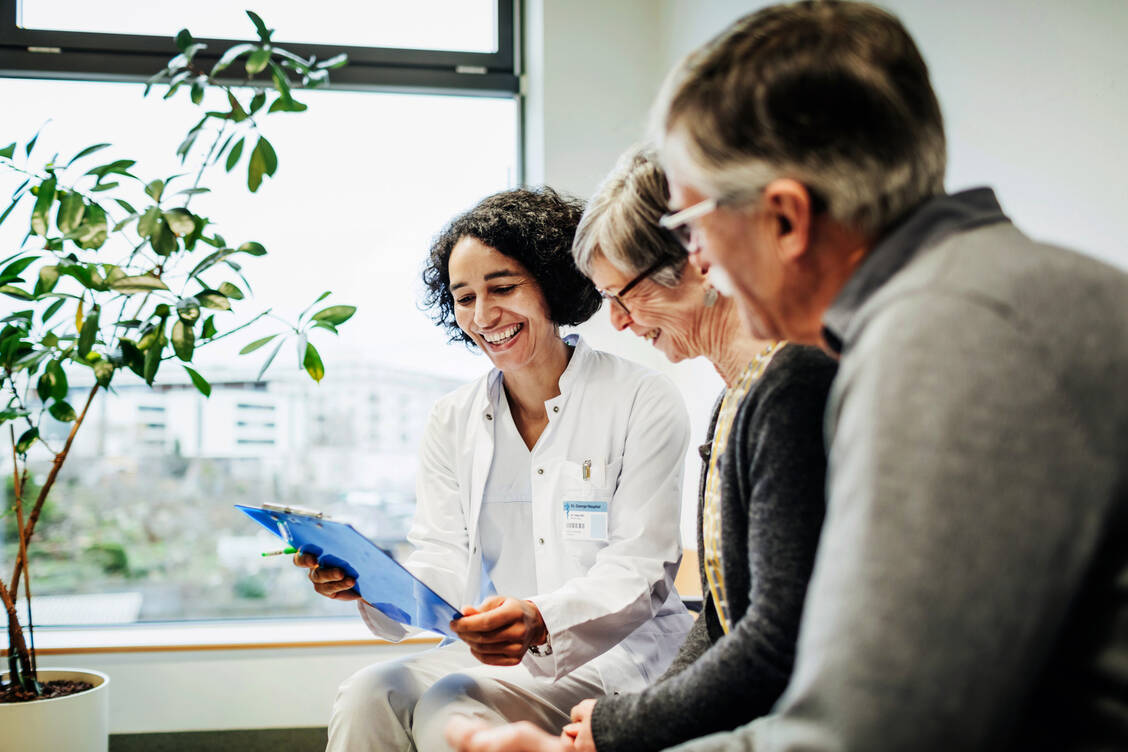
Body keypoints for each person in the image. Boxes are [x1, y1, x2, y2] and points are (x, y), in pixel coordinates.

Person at [450, 2, 1128, 751]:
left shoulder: (940, 343)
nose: (699, 262)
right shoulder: (1005, 294)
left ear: (785, 219)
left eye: (693, 228)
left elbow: (874, 730)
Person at [451, 147, 836, 752]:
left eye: (623, 296)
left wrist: (622, 726)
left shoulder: (791, 385)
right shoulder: (734, 400)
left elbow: (774, 640)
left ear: (699, 258)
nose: (620, 323)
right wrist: (627, 719)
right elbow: (721, 619)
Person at [296, 187, 693, 752]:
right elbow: (441, 557)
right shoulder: (452, 418)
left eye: (503, 288)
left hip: (622, 653)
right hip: (497, 657)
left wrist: (538, 616)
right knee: (369, 692)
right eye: (464, 297)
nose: (483, 316)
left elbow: (639, 565)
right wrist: (370, 585)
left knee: (450, 704)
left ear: (552, 285)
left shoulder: (641, 398)